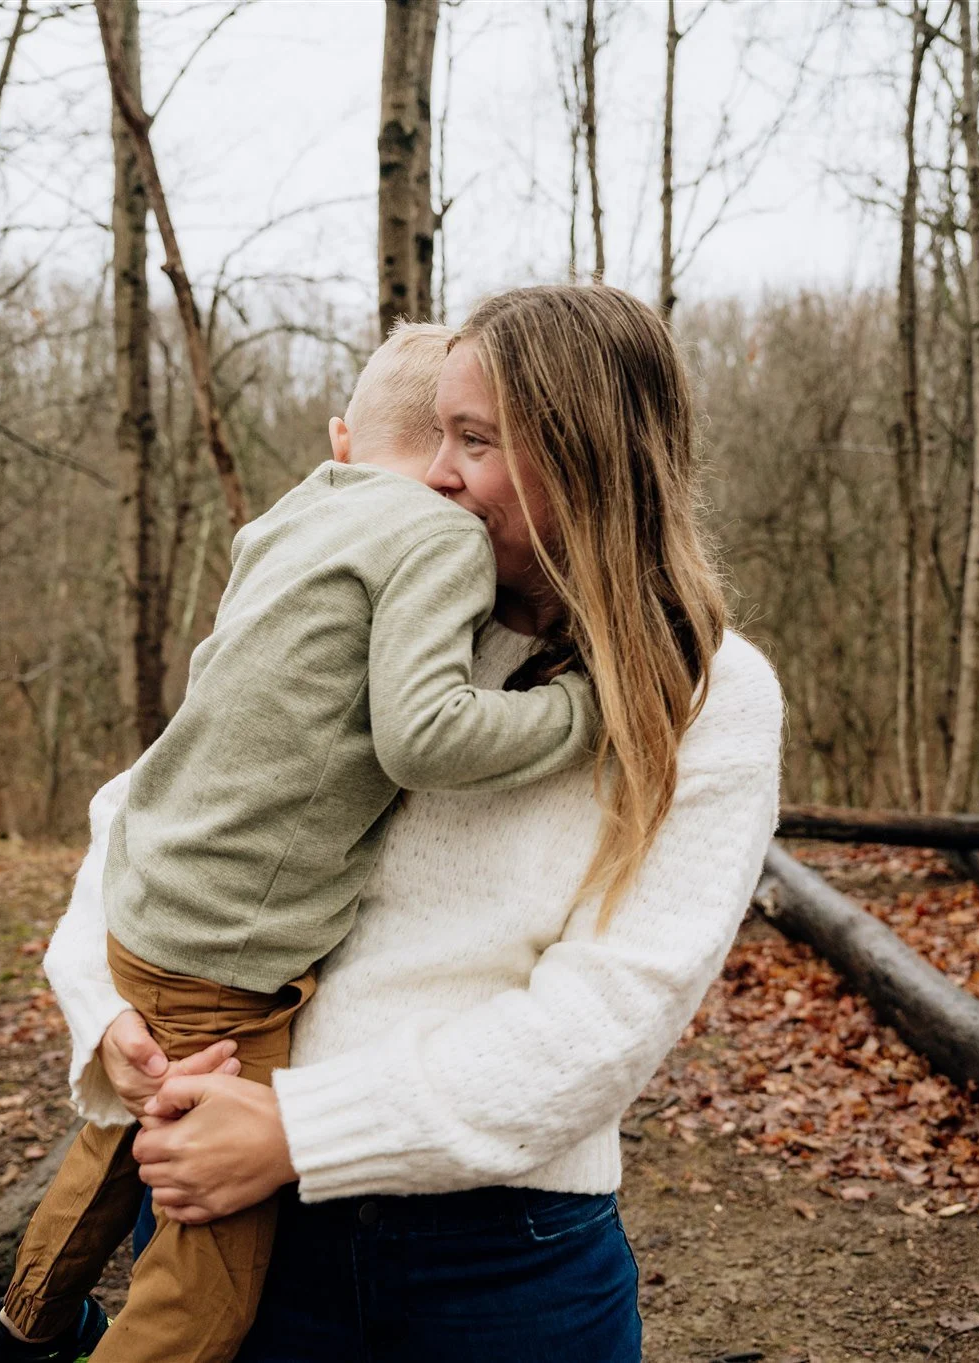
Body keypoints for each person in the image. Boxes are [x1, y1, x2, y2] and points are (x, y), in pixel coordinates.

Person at [40, 284, 785, 1363]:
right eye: (436, 431)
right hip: (252, 1224)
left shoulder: (707, 697)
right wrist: (109, 1015)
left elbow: (607, 1016)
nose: (435, 471)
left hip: (503, 1264)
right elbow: (145, 810)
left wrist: (298, 1131)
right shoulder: (390, 593)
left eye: (472, 440)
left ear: (582, 459)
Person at [0, 322, 601, 1363]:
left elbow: (206, 720)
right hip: (232, 956)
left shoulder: (294, 517)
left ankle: (15, 1334)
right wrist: (577, 713)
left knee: (122, 1137)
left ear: (342, 436)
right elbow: (424, 733)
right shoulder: (436, 536)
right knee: (207, 1284)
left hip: (151, 915)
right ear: (445, 456)